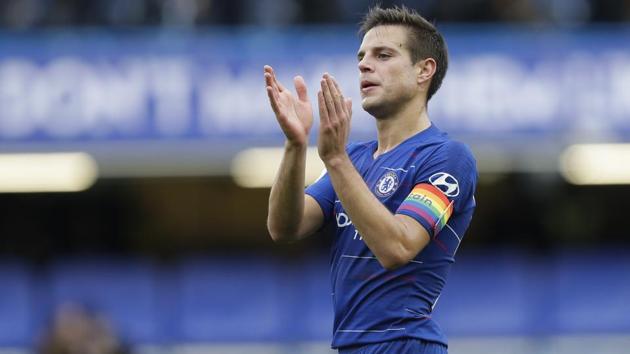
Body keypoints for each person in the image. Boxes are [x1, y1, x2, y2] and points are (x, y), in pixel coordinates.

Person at [264, 5, 477, 354]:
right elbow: (285, 226)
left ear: (424, 70)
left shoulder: (448, 157)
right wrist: (295, 145)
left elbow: (398, 247)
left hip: (407, 344)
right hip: (350, 346)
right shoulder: (356, 160)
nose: (364, 64)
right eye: (361, 56)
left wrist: (335, 159)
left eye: (383, 55)